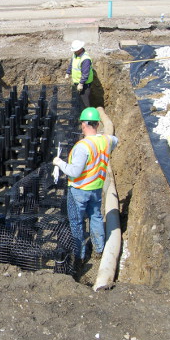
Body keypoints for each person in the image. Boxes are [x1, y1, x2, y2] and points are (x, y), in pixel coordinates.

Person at [52, 107, 118, 266]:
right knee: (95, 216)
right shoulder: (107, 140)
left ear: (85, 124)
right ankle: (98, 249)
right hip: (96, 188)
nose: (81, 125)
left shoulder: (82, 146)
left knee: (76, 222)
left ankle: (79, 255)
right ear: (97, 124)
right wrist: (101, 137)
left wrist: (59, 163)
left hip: (79, 190)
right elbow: (116, 141)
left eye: (82, 122)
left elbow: (74, 172)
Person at [65, 40, 94, 108]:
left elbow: (85, 73)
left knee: (84, 101)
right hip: (76, 82)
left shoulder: (85, 59)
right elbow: (71, 64)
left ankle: (86, 117)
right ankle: (77, 114)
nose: (75, 51)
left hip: (85, 84)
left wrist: (81, 84)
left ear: (80, 49)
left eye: (76, 50)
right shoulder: (75, 55)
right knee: (75, 100)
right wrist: (68, 73)